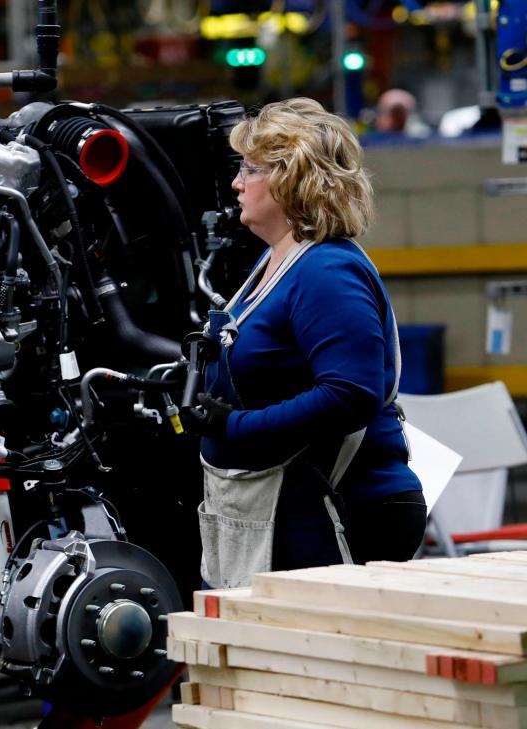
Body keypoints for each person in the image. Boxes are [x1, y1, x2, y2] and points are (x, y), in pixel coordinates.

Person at [182, 97, 426, 588]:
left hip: (337, 505)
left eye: (250, 169)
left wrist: (236, 426)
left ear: (291, 178)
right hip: (290, 504)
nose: (236, 183)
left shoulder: (326, 269)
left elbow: (350, 395)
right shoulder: (276, 261)